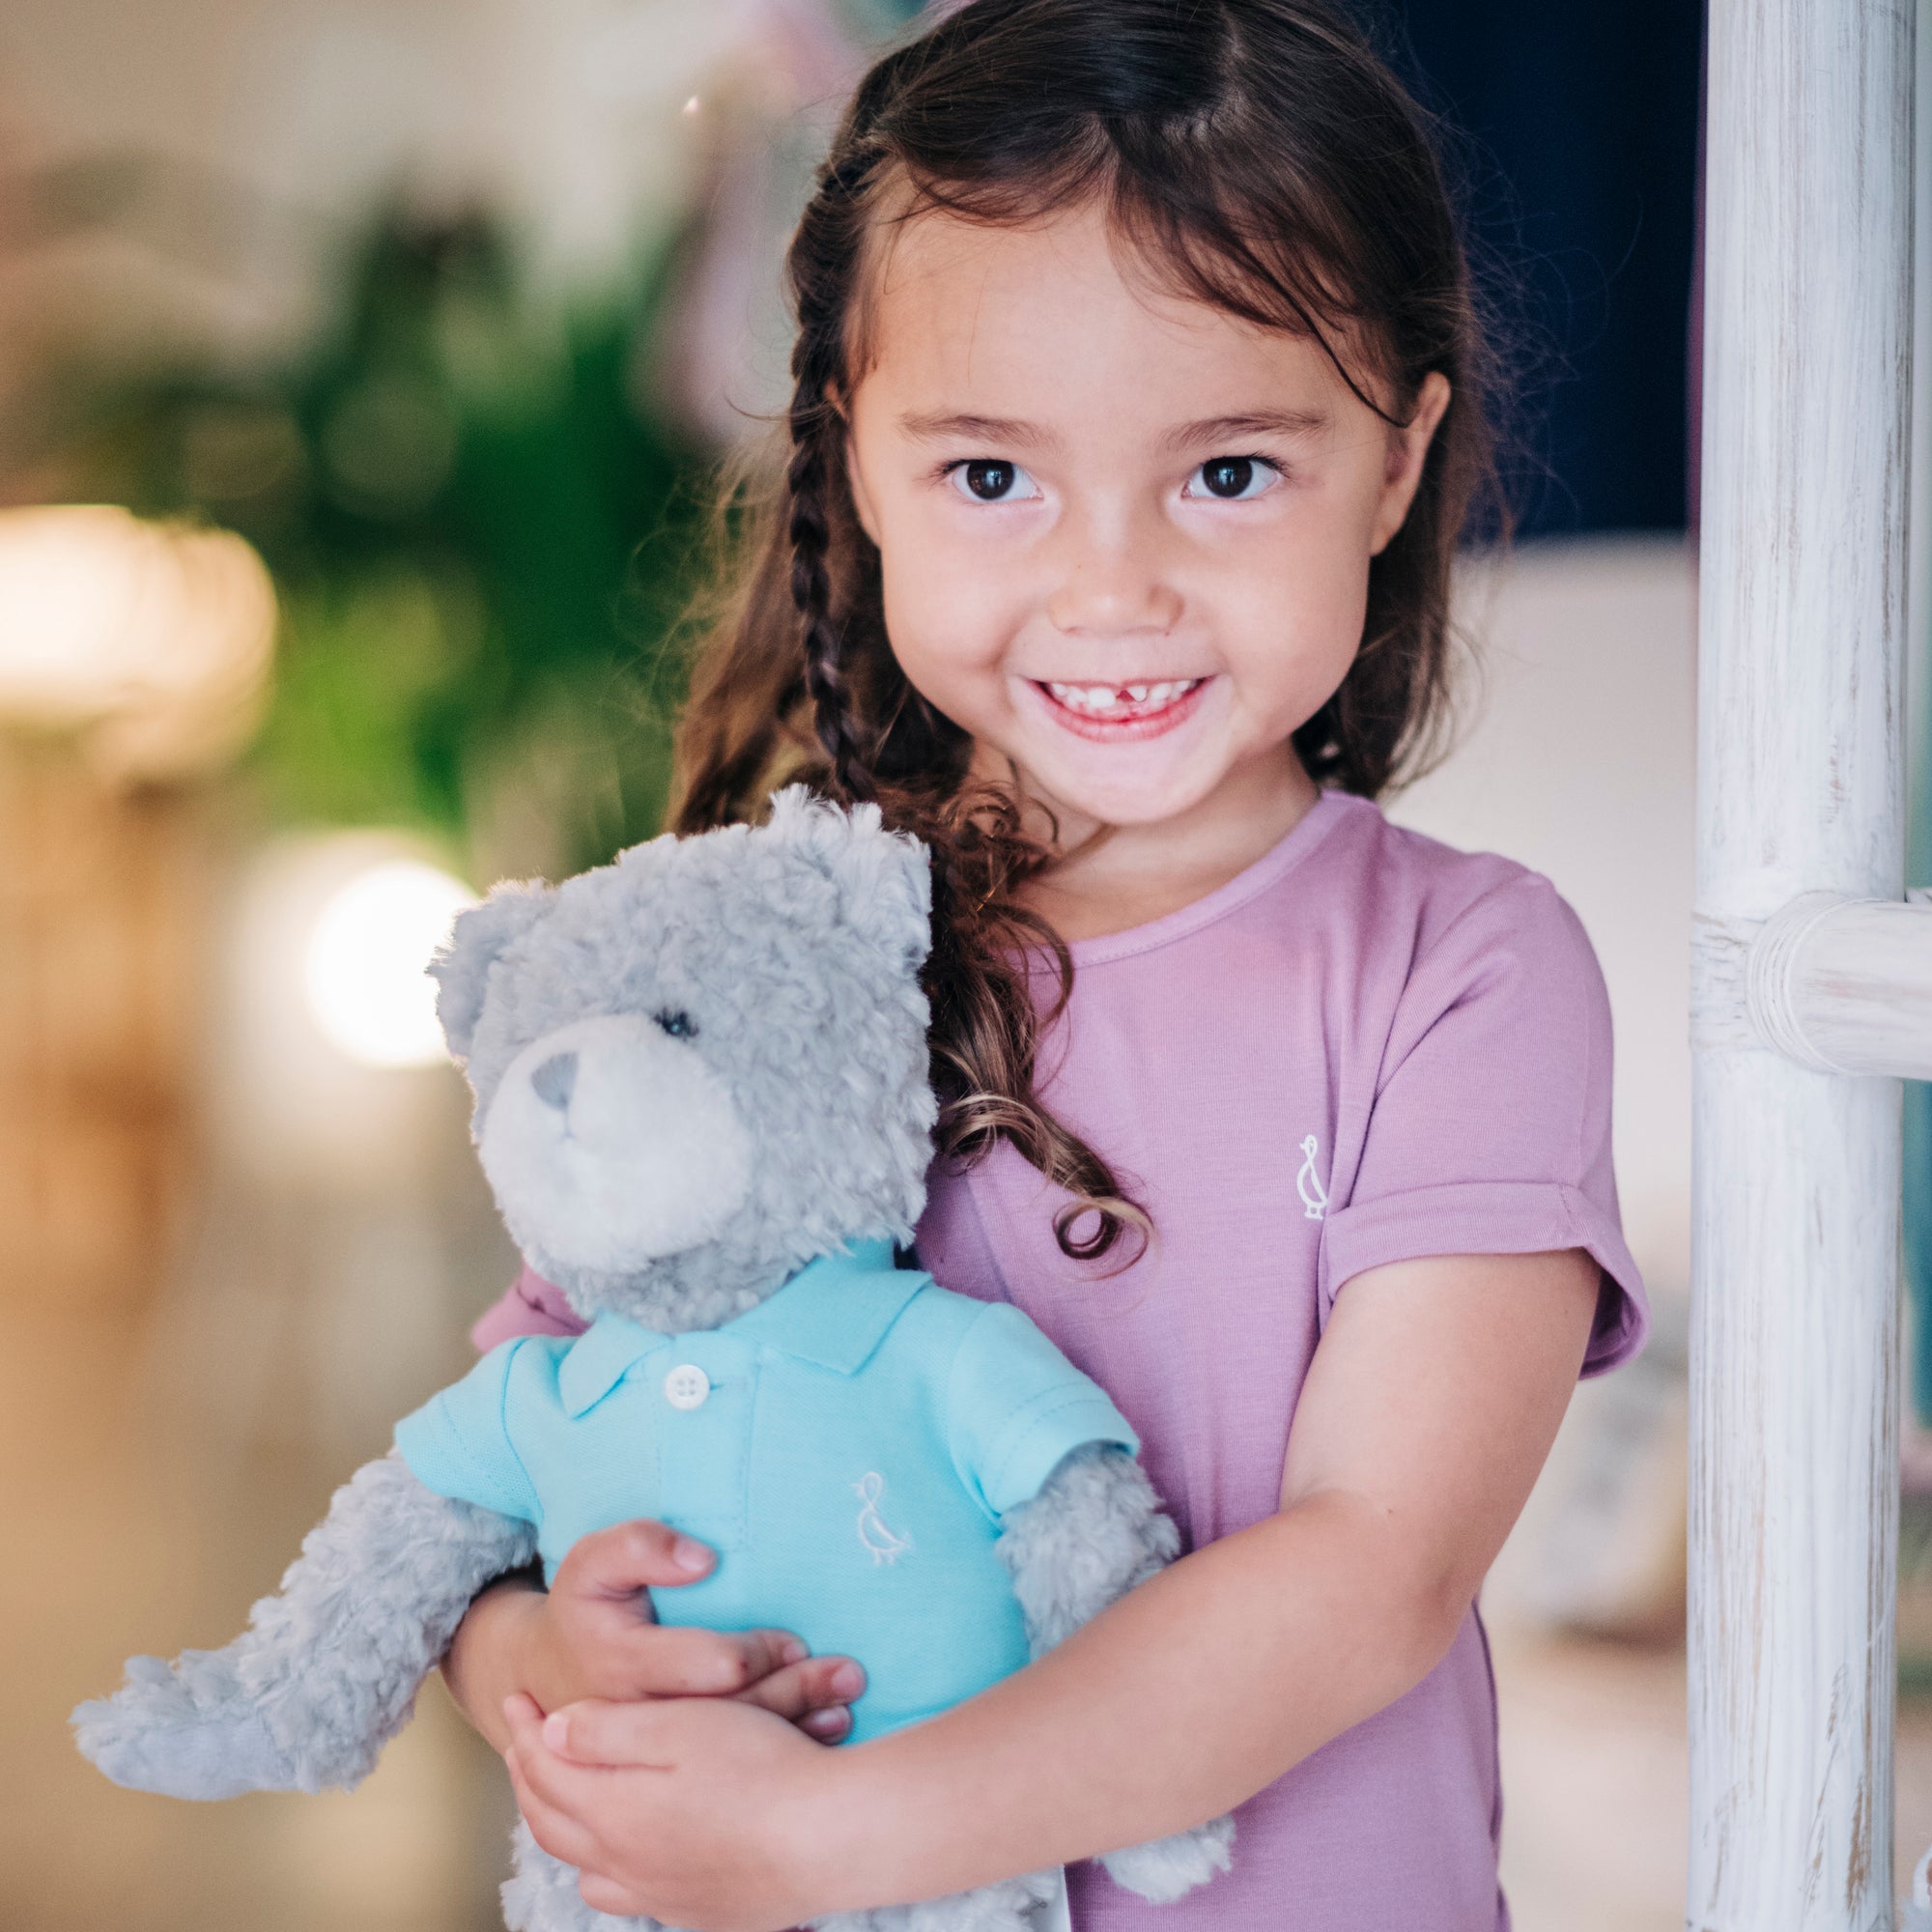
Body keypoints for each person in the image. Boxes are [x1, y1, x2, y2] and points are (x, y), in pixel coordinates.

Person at [439, 1, 1648, 1925]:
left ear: (1399, 457)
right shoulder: (749, 966)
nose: (1111, 586)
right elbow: (498, 1505)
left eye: (1229, 474)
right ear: (853, 452)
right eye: (993, 478)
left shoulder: (1466, 967)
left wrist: (829, 1831)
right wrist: (554, 1673)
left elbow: (1371, 1567)